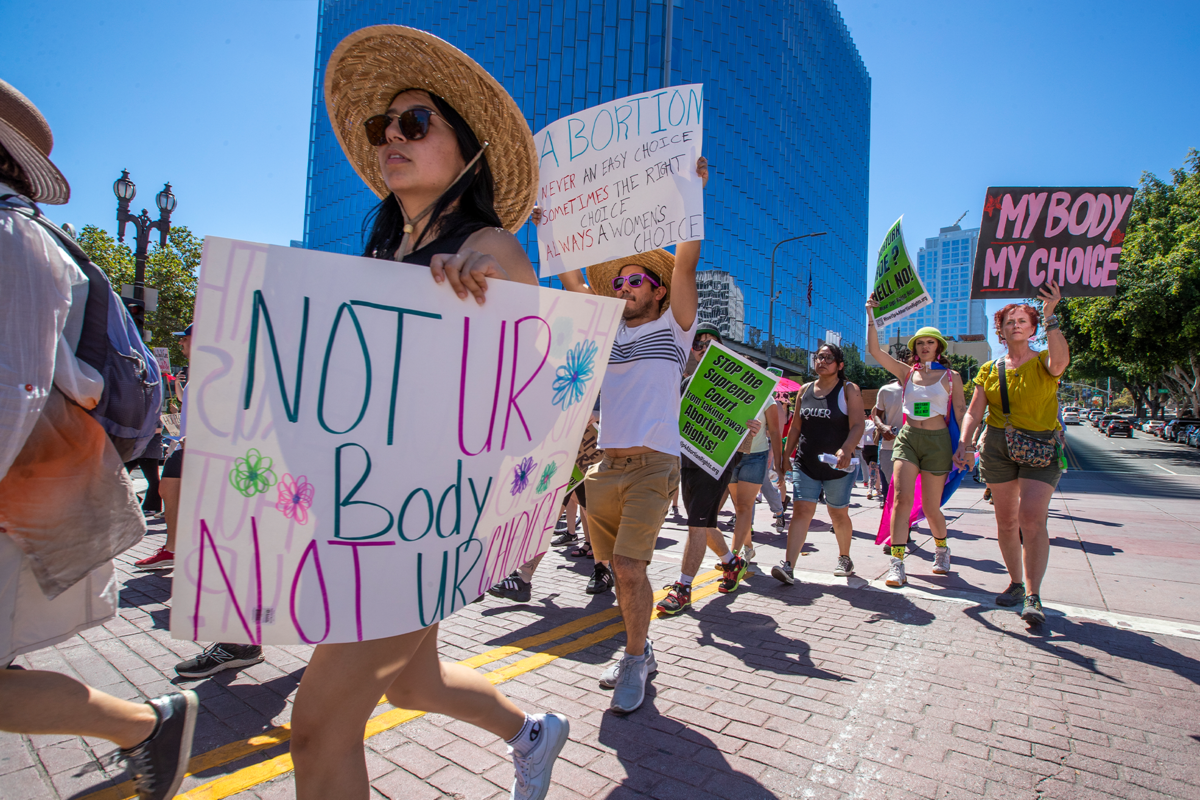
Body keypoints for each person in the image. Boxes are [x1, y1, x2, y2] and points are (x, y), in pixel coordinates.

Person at [287, 27, 568, 800]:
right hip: (361, 510)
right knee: (414, 687)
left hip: (419, 525)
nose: (392, 139)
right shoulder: (378, 260)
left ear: (469, 154)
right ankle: (534, 734)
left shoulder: (492, 250)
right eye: (386, 128)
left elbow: (540, 406)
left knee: (316, 732)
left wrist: (488, 304)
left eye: (416, 124)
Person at [0, 77, 197, 800]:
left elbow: (18, 391)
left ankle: (146, 726)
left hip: (26, 493)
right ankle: (147, 726)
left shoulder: (12, 239)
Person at [556, 160, 707, 715]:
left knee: (628, 567)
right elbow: (572, 282)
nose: (623, 287)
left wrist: (691, 193)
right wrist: (553, 229)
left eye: (634, 280)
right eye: (617, 282)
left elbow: (688, 260)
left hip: (653, 464)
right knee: (617, 571)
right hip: (604, 469)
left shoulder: (676, 325)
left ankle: (636, 656)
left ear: (658, 290)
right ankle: (640, 648)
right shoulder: (607, 331)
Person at [954, 284, 1068, 624]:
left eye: (1022, 320)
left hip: (1040, 446)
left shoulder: (1046, 362)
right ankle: (1016, 584)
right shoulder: (990, 369)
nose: (1016, 325)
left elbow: (1061, 361)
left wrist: (1051, 314)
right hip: (998, 447)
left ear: (1033, 328)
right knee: (1006, 522)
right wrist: (964, 442)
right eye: (1009, 321)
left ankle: (1033, 595)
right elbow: (974, 412)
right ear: (1001, 331)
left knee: (1032, 518)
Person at [657, 324, 756, 617]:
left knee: (696, 524)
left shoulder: (737, 384)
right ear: (692, 350)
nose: (704, 348)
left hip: (718, 463)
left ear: (722, 348)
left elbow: (747, 431)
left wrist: (750, 430)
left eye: (710, 342)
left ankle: (683, 588)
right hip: (687, 461)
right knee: (702, 521)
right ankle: (731, 563)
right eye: (698, 344)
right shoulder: (685, 384)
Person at [865, 306, 966, 588]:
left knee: (932, 507)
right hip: (908, 439)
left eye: (929, 342)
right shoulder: (907, 374)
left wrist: (966, 446)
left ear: (939, 347)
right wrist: (871, 316)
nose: (924, 347)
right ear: (914, 349)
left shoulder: (952, 377)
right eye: (919, 343)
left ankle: (942, 549)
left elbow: (961, 412)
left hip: (938, 444)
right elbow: (875, 351)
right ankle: (897, 563)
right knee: (899, 499)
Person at [772, 344, 865, 584]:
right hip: (806, 463)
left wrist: (846, 449)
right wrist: (784, 456)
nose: (822, 361)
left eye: (828, 358)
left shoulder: (848, 390)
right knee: (802, 511)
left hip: (838, 465)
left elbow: (858, 425)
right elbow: (796, 428)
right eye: (819, 357)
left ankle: (845, 557)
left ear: (840, 365)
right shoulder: (804, 390)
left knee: (838, 514)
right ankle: (789, 565)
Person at [728, 372, 783, 562]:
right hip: (730, 456)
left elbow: (775, 432)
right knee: (739, 508)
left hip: (755, 457)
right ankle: (748, 547)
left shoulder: (766, 400)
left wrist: (779, 462)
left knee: (744, 507)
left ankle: (732, 558)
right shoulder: (726, 394)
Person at [860, 409, 880, 500]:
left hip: (872, 448)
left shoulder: (878, 423)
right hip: (867, 449)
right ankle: (876, 489)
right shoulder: (868, 423)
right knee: (874, 470)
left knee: (873, 469)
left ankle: (871, 489)